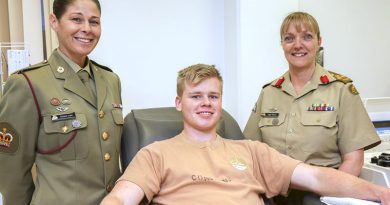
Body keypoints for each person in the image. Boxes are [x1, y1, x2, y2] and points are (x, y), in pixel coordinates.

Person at [100, 64, 390, 205]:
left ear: (221, 102)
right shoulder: (156, 153)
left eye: (213, 96)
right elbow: (121, 199)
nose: (206, 103)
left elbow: (317, 176)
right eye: (196, 96)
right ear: (179, 103)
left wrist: (380, 192)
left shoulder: (251, 151)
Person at [244, 11, 381, 204]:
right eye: (289, 38)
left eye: (307, 37)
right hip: (272, 195)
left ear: (319, 42)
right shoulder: (269, 92)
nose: (297, 45)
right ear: (282, 45)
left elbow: (353, 160)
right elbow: (249, 152)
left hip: (320, 196)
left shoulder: (341, 90)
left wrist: (329, 199)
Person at [0, 0, 123, 204]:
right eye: (76, 19)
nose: (86, 29)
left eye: (94, 22)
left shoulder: (111, 80)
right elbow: (10, 169)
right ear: (54, 21)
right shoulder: (27, 83)